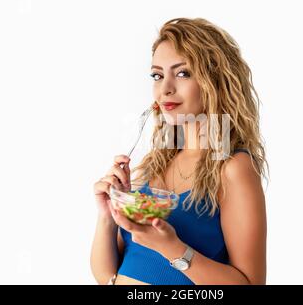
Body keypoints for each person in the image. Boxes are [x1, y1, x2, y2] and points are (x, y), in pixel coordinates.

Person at [90, 17, 269, 285]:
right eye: (157, 75)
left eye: (183, 73)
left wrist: (171, 248)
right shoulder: (156, 162)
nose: (165, 89)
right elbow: (107, 277)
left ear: (215, 81)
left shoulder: (232, 167)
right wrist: (107, 216)